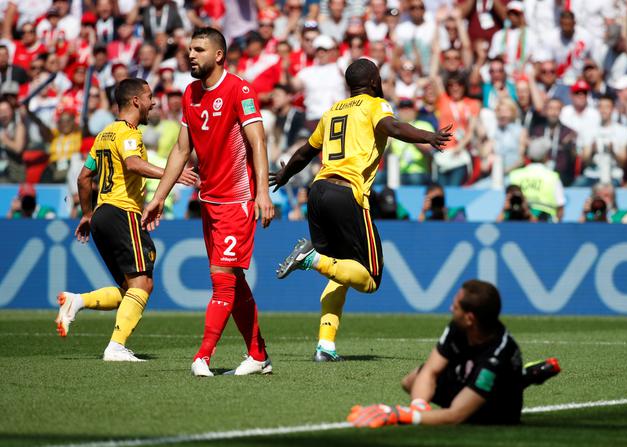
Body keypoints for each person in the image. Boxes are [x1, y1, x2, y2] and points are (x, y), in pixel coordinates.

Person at [269, 58, 452, 362]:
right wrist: (427, 136)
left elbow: (305, 151)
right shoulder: (374, 104)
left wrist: (286, 174)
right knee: (370, 278)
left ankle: (325, 345)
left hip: (318, 191)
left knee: (340, 270)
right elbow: (391, 126)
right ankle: (309, 257)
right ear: (374, 83)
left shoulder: (333, 111)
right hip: (346, 193)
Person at [142, 27, 276, 377]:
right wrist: (159, 197)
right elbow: (182, 150)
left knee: (221, 280)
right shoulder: (190, 93)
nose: (191, 55)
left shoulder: (239, 89)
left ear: (218, 54)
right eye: (189, 49)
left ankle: (203, 356)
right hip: (210, 200)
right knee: (234, 281)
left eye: (199, 49)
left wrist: (262, 191)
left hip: (238, 198)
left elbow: (258, 142)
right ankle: (258, 355)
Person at [54, 78, 198, 361]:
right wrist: (173, 174)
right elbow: (133, 164)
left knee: (132, 288)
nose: (153, 102)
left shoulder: (105, 133)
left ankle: (77, 301)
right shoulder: (129, 133)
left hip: (102, 214)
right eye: (149, 97)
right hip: (122, 212)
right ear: (136, 101)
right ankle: (116, 347)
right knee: (142, 284)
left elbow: (84, 177)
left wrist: (86, 213)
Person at [347, 280, 560, 427]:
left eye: (455, 306)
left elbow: (455, 415)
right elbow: (430, 370)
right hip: (474, 376)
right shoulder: (458, 327)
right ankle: (522, 375)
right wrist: (418, 406)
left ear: (470, 318)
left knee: (472, 416)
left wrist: (400, 415)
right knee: (412, 381)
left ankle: (522, 377)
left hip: (495, 411)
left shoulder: (496, 356)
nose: (450, 308)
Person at [509, 137, 566, 222]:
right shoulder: (552, 177)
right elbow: (560, 209)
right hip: (546, 226)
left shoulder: (515, 175)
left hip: (519, 222)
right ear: (545, 156)